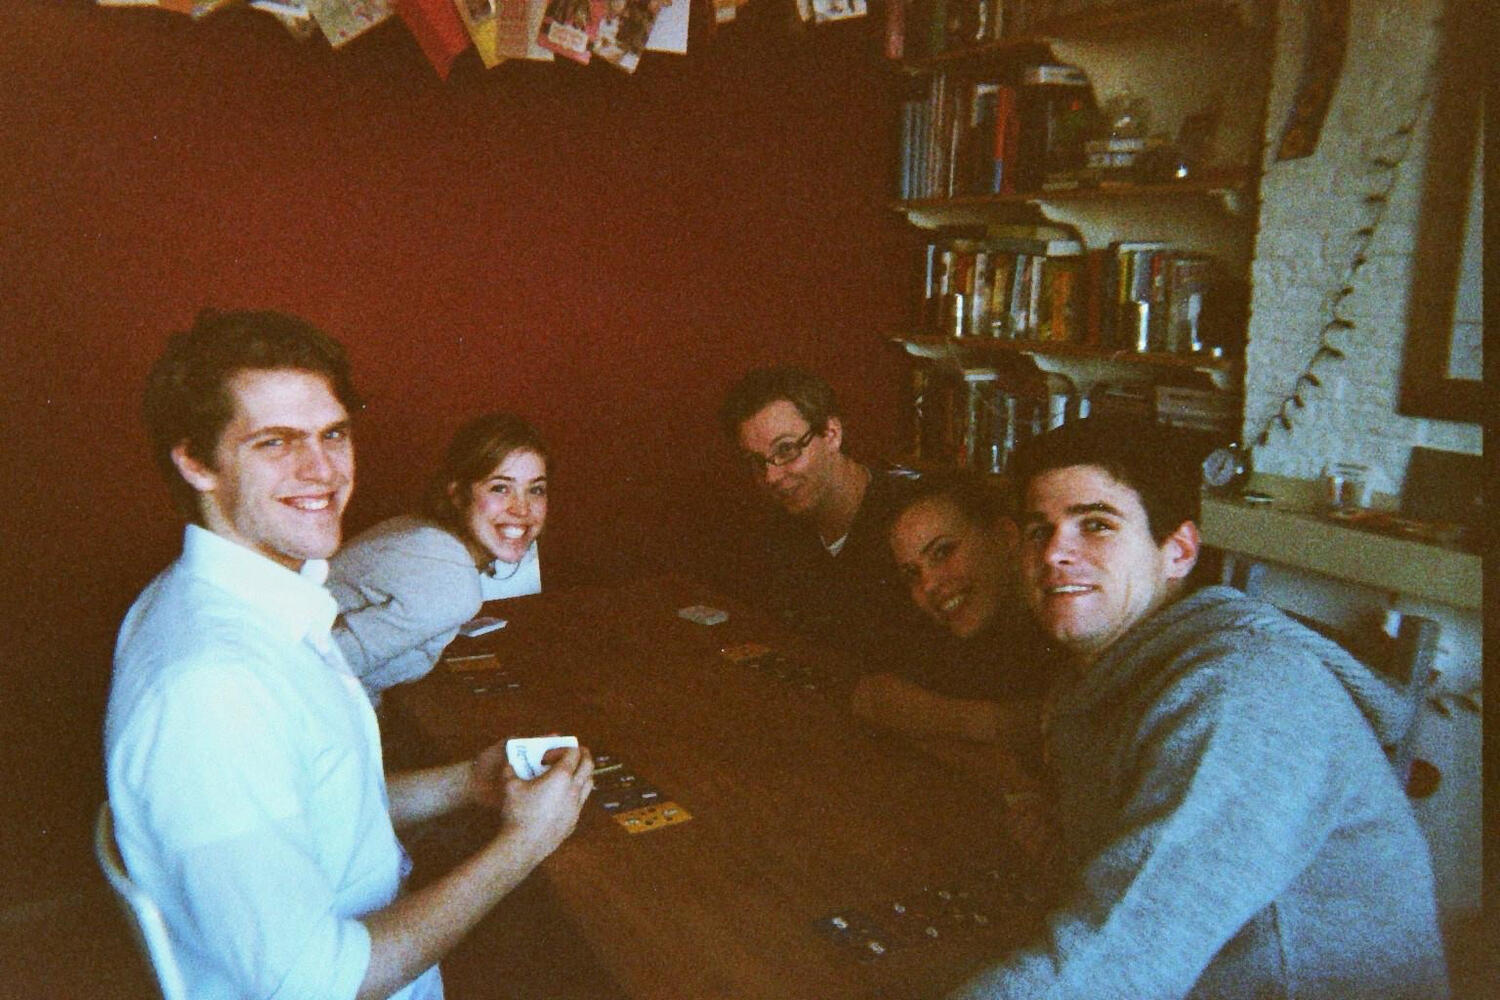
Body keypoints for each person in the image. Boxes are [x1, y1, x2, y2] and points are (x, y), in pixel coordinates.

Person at [104, 309, 594, 1000]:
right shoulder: (213, 689)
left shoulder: (213, 601)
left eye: (333, 433)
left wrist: (467, 783)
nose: (322, 469)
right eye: (275, 442)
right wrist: (523, 845)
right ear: (196, 461)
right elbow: (321, 984)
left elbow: (320, 806)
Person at [945, 417, 1448, 1000]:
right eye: (1040, 530)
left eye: (1096, 525)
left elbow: (1125, 952)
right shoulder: (1102, 672)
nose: (1055, 552)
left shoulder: (1243, 696)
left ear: (1178, 552)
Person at [717, 365, 924, 671]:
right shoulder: (781, 532)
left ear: (831, 434)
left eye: (786, 449)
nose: (771, 477)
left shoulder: (912, 521)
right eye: (757, 462)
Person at [329, 412, 548, 701]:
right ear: (457, 494)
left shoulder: (421, 532)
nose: (522, 508)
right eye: (500, 488)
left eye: (536, 490)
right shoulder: (451, 583)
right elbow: (317, 668)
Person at [851, 471, 1053, 748]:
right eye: (912, 573)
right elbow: (872, 697)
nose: (928, 585)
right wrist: (990, 723)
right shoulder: (970, 626)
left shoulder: (1068, 622)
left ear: (1005, 537)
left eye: (943, 552)